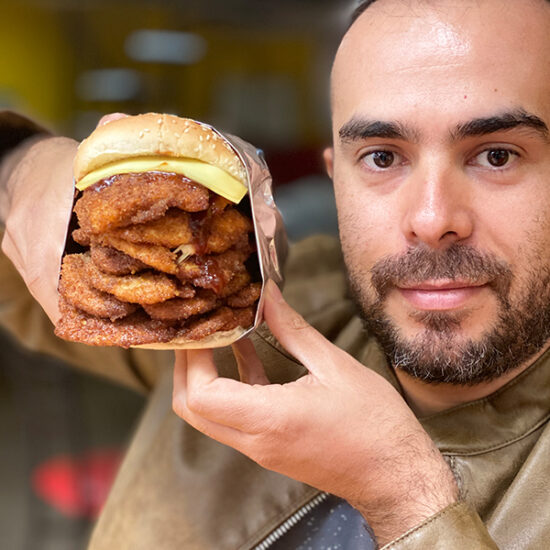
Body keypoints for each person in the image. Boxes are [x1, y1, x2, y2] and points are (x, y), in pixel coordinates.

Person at [1, 0, 550, 547]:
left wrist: (403, 495)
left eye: (497, 156)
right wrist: (20, 168)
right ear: (336, 179)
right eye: (382, 158)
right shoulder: (245, 303)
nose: (432, 220)